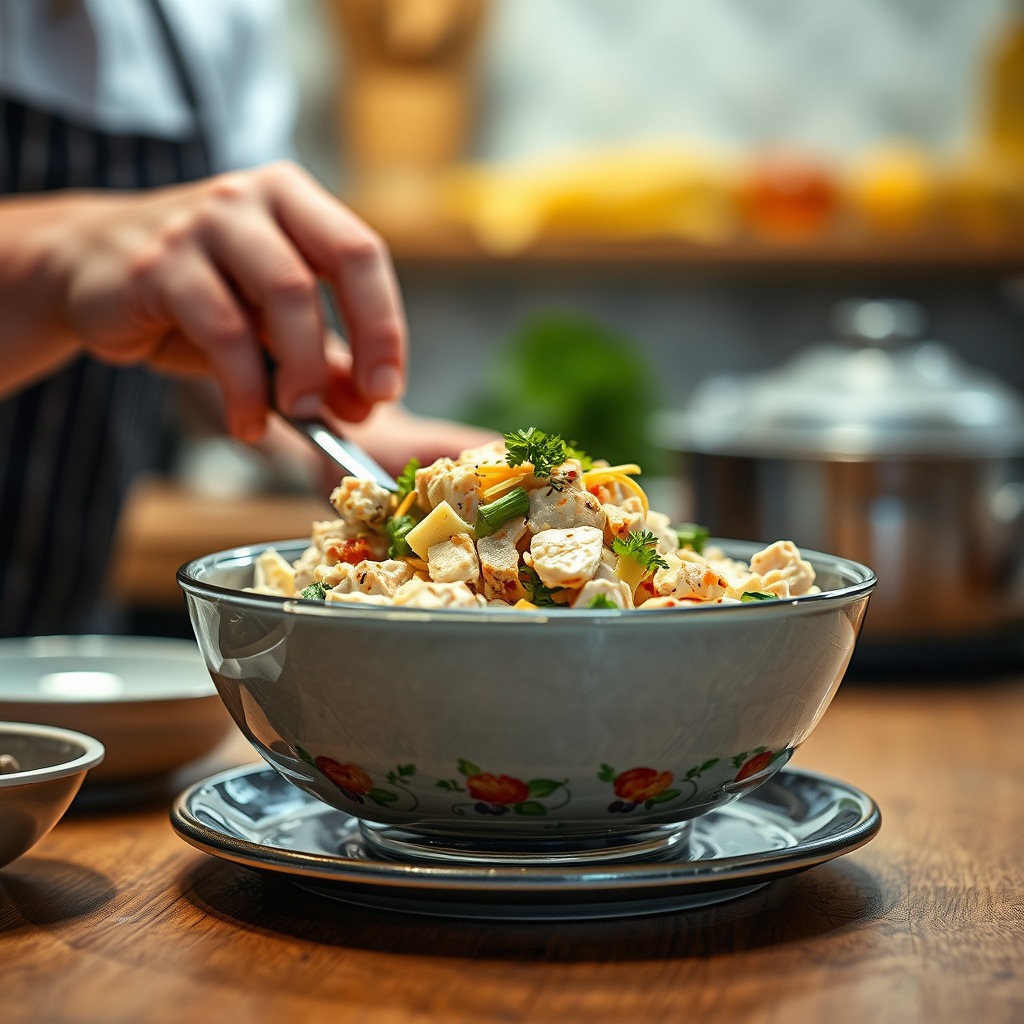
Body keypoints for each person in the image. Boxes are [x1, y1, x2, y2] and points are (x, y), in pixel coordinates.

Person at [0, 0, 492, 636]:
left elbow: (208, 321)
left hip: (65, 657)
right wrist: (51, 262)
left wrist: (356, 440)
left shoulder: (214, 19)